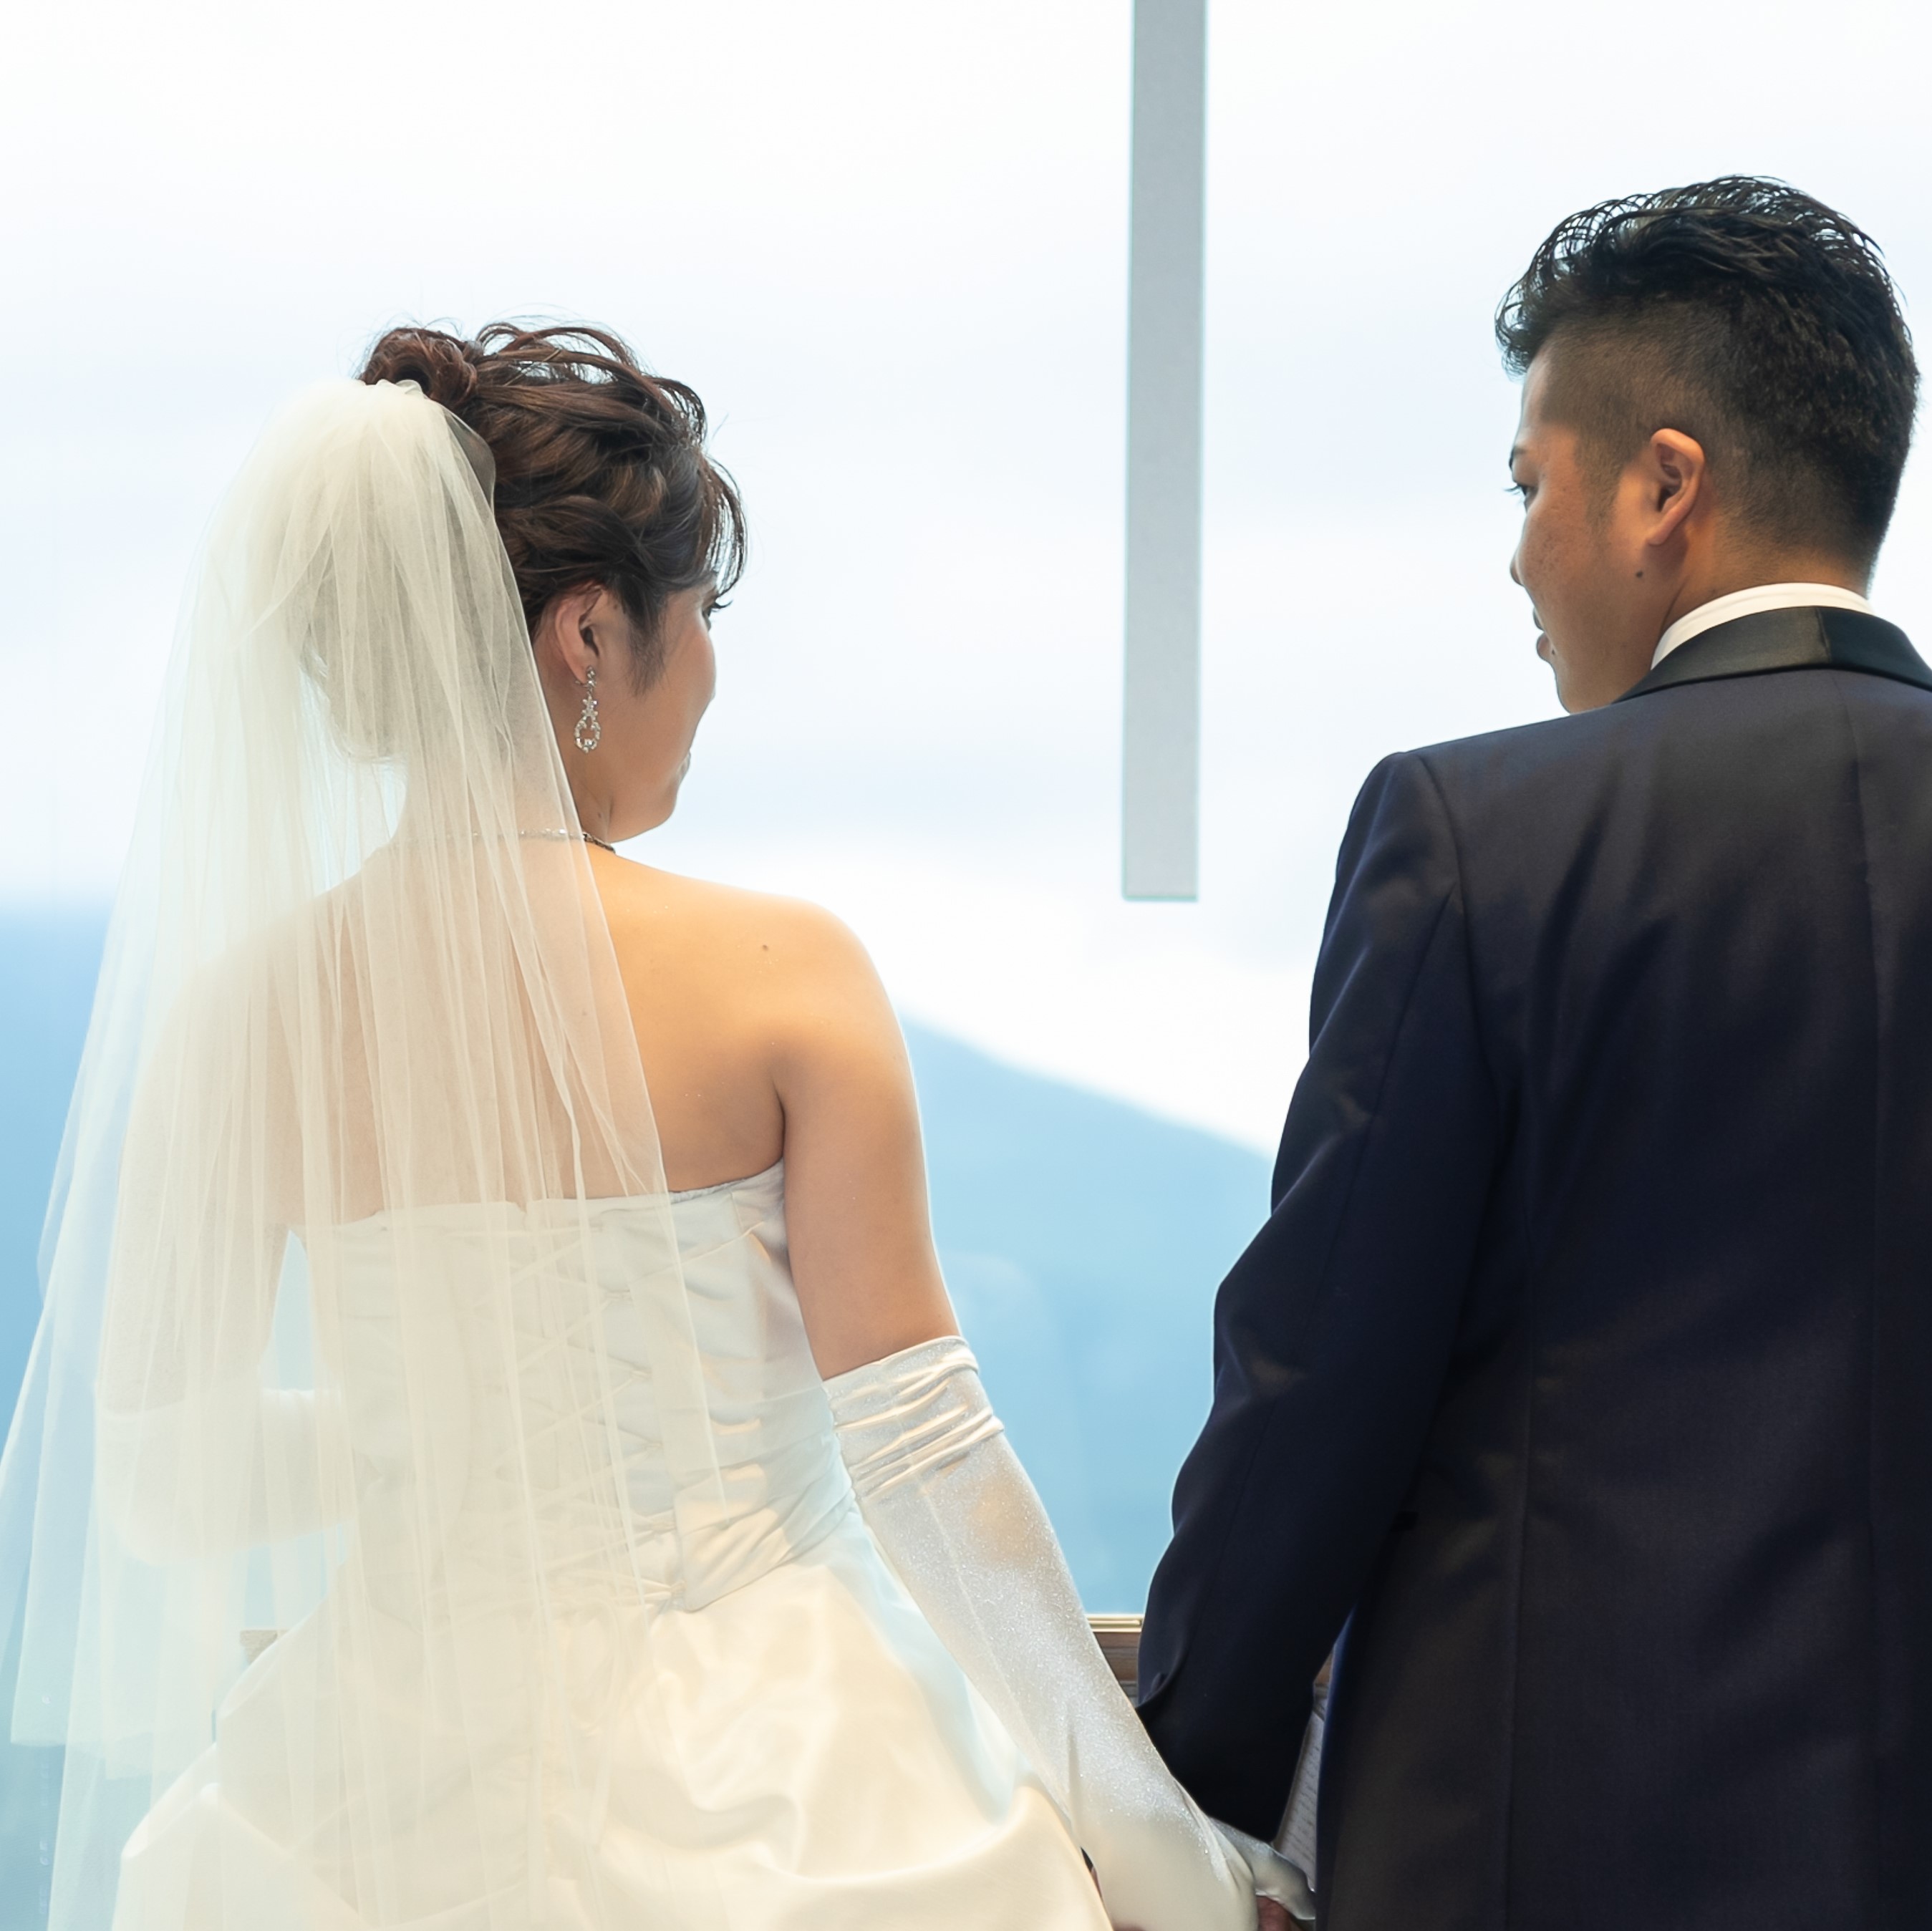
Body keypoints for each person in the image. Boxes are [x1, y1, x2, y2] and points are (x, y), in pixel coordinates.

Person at [0, 326, 1274, 1929]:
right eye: (702, 617)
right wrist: (1165, 1857)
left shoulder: (249, 1013)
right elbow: (925, 1460)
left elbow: (168, 1481)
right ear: (590, 632)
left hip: (370, 1794)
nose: (714, 671)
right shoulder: (781, 973)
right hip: (781, 1782)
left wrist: (416, 1433)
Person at [1135, 177, 1931, 1930]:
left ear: (1661, 486)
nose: (1513, 555)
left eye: (1525, 486)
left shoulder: (1478, 837)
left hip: (1542, 1841)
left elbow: (1318, 1374)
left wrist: (1179, 1795)